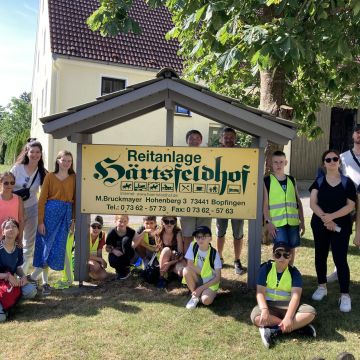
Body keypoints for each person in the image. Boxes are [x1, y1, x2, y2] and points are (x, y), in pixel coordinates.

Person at [309, 150, 356, 312]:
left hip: (341, 227)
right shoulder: (319, 181)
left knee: (340, 259)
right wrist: (324, 218)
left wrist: (331, 218)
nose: (332, 161)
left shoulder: (347, 182)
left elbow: (351, 206)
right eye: (328, 159)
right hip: (320, 224)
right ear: (324, 164)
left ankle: (345, 295)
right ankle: (322, 286)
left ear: (339, 161)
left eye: (335, 158)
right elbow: (313, 203)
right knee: (320, 255)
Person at [250, 242, 316, 349]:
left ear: (290, 257)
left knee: (310, 312)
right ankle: (298, 327)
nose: (282, 258)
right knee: (256, 317)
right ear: (273, 255)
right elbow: (260, 292)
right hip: (270, 307)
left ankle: (273, 331)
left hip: (288, 307)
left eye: (286, 255)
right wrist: (264, 309)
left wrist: (289, 317)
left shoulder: (295, 273)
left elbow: (296, 297)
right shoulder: (265, 269)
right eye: (278, 254)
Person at [30, 150, 76, 296]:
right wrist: (40, 221)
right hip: (50, 215)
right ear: (58, 161)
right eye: (64, 160)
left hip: (66, 215)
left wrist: (73, 220)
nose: (66, 163)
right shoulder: (50, 176)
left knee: (58, 247)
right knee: (45, 246)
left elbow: (75, 201)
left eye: (69, 161)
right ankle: (44, 282)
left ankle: (31, 278)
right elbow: (42, 200)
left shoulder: (74, 178)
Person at [327, 124, 360, 283]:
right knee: (340, 236)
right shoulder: (344, 157)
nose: (359, 135)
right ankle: (337, 269)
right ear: (353, 135)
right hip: (348, 201)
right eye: (358, 132)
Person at [11, 140, 47, 274]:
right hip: (15, 209)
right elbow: (6, 185)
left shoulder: (42, 172)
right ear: (27, 152)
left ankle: (22, 275)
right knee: (12, 239)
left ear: (41, 154)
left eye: (38, 152)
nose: (35, 154)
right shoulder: (17, 168)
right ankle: (9, 270)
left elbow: (47, 192)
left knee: (28, 243)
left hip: (32, 209)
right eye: (32, 152)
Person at [263, 150, 305, 265]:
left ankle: (290, 272)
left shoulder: (291, 179)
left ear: (285, 163)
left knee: (291, 249)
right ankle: (280, 274)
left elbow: (298, 202)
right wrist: (268, 222)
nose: (278, 165)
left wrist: (302, 221)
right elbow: (265, 205)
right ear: (271, 163)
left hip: (293, 222)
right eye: (275, 162)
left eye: (281, 162)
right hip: (277, 224)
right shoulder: (267, 181)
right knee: (280, 250)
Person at [215, 127, 245, 274]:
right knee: (220, 231)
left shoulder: (243, 153)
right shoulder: (214, 153)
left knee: (238, 233)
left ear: (235, 138)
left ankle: (237, 260)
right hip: (221, 200)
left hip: (237, 199)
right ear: (221, 138)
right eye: (225, 137)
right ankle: (219, 257)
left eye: (231, 137)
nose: (228, 139)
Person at [180, 130, 212, 252]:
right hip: (186, 202)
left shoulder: (208, 155)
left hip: (204, 201)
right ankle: (188, 260)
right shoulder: (181, 155)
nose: (194, 140)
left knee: (203, 235)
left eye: (197, 138)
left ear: (201, 140)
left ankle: (203, 259)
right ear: (187, 140)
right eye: (191, 138)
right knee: (187, 235)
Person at [0, 218, 37, 322]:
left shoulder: (18, 248)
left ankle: (10, 301)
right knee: (1, 318)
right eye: (7, 227)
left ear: (18, 231)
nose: (11, 229)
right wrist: (7, 276)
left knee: (31, 291)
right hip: (2, 281)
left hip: (10, 283)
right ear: (3, 231)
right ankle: (6, 304)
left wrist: (23, 277)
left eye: (14, 226)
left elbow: (17, 267)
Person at [183, 225, 221, 309]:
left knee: (206, 301)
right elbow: (190, 264)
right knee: (186, 270)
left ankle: (202, 293)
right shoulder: (193, 246)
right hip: (199, 278)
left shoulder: (215, 254)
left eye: (204, 237)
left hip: (211, 281)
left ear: (210, 238)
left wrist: (201, 288)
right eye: (198, 237)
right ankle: (195, 296)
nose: (200, 239)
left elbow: (217, 278)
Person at [155, 216, 185, 288]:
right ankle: (161, 278)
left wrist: (170, 263)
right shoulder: (158, 233)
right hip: (164, 260)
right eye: (166, 221)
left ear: (175, 223)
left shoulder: (177, 233)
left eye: (172, 222)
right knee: (166, 250)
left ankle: (174, 276)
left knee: (181, 271)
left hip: (176, 260)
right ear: (162, 222)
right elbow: (159, 253)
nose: (169, 224)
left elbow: (181, 255)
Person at [106, 214, 135, 280]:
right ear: (115, 221)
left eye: (125, 221)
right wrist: (113, 250)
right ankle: (120, 270)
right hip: (116, 253)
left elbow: (137, 241)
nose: (122, 223)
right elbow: (107, 248)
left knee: (126, 240)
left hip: (128, 253)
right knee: (113, 261)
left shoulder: (131, 231)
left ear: (127, 222)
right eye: (120, 221)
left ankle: (127, 267)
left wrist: (133, 246)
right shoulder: (112, 232)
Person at [0, 172, 24, 242]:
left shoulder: (18, 199)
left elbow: (21, 220)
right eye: (6, 183)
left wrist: (20, 238)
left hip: (13, 237)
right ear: (0, 183)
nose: (9, 185)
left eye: (12, 183)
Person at [88, 215, 107, 280]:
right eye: (93, 226)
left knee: (103, 275)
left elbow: (99, 251)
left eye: (99, 227)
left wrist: (101, 264)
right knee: (95, 266)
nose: (96, 229)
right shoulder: (85, 234)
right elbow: (83, 255)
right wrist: (100, 260)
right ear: (89, 226)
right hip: (80, 260)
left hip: (93, 259)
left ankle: (91, 274)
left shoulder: (102, 235)